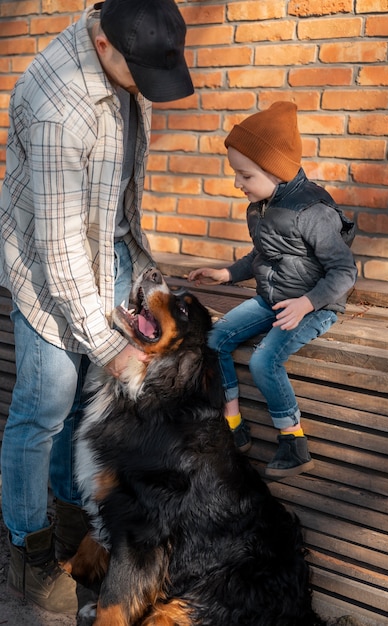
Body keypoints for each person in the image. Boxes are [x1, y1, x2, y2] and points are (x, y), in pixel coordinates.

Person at [0, 0, 193, 615]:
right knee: (44, 408)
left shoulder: (126, 58)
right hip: (45, 263)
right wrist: (109, 345)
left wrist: (136, 265)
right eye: (142, 73)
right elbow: (58, 247)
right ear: (106, 47)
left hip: (101, 250)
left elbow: (117, 194)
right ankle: (28, 556)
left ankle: (63, 525)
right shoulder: (58, 103)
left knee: (81, 397)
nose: (149, 87)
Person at [189, 101, 357, 479]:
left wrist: (307, 302)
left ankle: (292, 441)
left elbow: (344, 271)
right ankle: (233, 427)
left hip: (313, 306)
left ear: (275, 170)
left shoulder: (312, 212)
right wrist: (228, 273)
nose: (237, 183)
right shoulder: (261, 206)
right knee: (215, 340)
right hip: (272, 299)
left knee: (265, 361)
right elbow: (262, 255)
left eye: (244, 175)